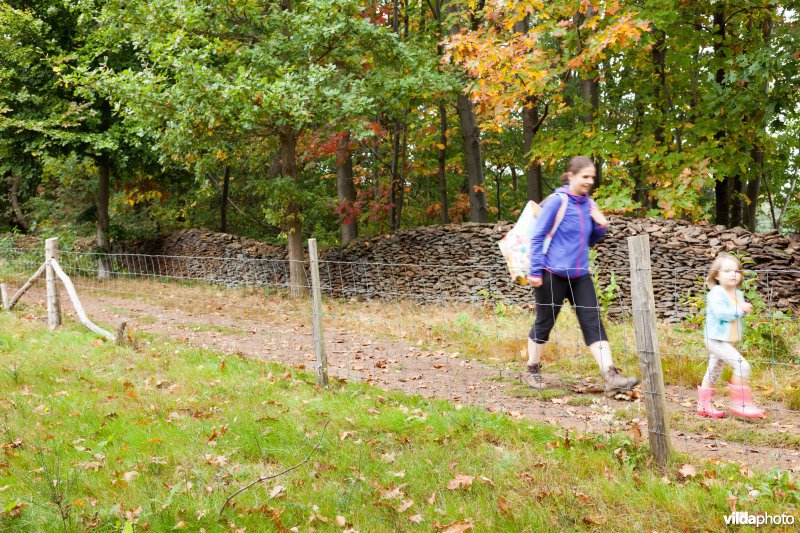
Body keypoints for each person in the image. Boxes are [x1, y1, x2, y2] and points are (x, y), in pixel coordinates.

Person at [524, 156, 639, 396]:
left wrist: (600, 225)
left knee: (593, 323)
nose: (589, 181)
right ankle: (532, 370)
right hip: (551, 273)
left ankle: (611, 377)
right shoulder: (557, 201)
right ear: (571, 176)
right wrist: (535, 271)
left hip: (580, 275)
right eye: (585, 176)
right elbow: (537, 236)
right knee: (545, 322)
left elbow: (590, 241)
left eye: (592, 177)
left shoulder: (589, 205)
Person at [696, 253, 765, 418]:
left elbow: (735, 316)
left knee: (713, 371)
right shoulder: (716, 293)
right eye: (727, 271)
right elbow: (722, 314)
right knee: (742, 366)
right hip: (715, 339)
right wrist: (740, 310)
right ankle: (741, 404)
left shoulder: (738, 294)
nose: (733, 274)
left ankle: (703, 405)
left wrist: (741, 309)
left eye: (736, 271)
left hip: (727, 340)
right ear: (717, 275)